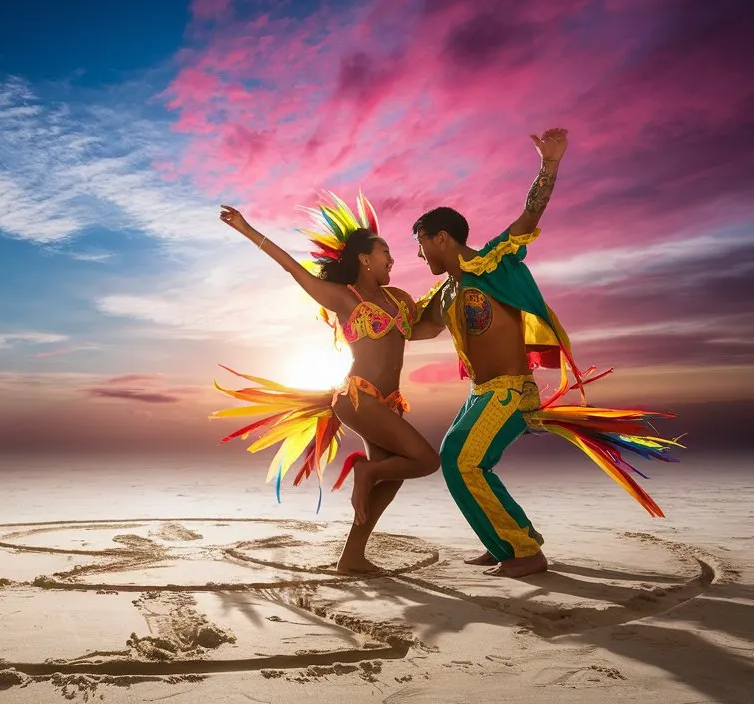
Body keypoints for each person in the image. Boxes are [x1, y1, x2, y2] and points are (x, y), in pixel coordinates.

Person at [399, 127, 683, 578]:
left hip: (510, 392)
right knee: (467, 465)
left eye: (419, 243)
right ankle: (506, 540)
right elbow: (415, 330)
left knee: (459, 459)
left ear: (441, 238)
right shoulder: (445, 292)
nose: (417, 255)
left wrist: (548, 164)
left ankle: (524, 552)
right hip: (480, 394)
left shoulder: (492, 262)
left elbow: (529, 217)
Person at [211, 192, 443, 574]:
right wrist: (246, 228)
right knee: (424, 460)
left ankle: (351, 557)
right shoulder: (342, 297)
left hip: (387, 403)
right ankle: (364, 472)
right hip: (357, 397)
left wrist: (461, 280)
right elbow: (292, 268)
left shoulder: (399, 299)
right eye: (386, 254)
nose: (392, 260)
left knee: (395, 477)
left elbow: (426, 328)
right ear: (365, 260)